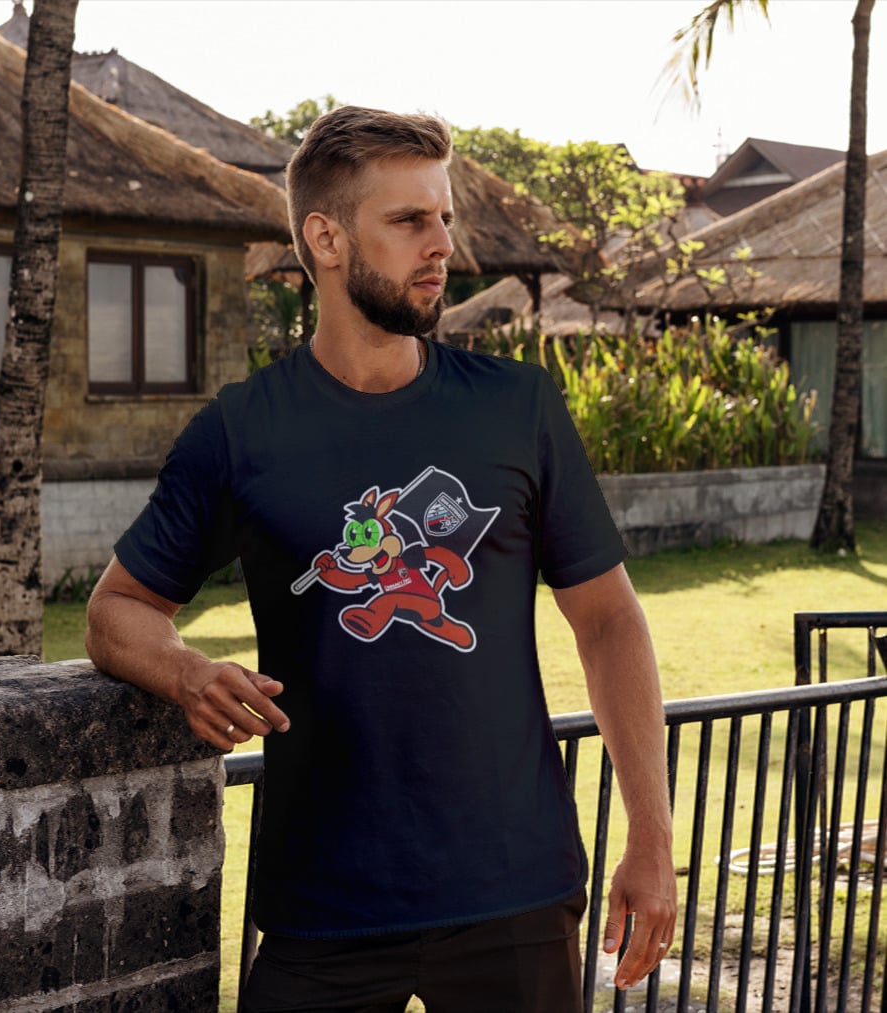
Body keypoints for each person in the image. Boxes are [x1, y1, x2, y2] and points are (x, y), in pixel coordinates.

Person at [86, 105, 677, 1013]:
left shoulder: (517, 407)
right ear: (325, 237)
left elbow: (607, 620)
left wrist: (650, 834)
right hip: (322, 907)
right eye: (408, 220)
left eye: (442, 216)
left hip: (515, 890)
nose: (441, 242)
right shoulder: (243, 432)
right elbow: (115, 609)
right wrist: (185, 671)